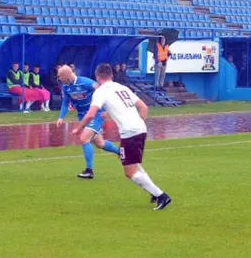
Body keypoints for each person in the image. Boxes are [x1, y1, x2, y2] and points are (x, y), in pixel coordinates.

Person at [72, 63, 172, 210]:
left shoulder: (100, 92)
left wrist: (78, 128)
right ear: (112, 75)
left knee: (129, 172)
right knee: (135, 165)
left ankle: (162, 196)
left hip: (130, 132)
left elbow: (91, 114)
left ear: (97, 77)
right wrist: (136, 122)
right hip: (140, 128)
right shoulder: (122, 87)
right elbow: (144, 107)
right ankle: (155, 193)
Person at [56, 65, 120, 179]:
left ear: (66, 76)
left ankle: (89, 170)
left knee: (84, 138)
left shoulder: (85, 82)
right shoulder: (66, 88)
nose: (59, 79)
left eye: (60, 77)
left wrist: (107, 109)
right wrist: (61, 117)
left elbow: (102, 90)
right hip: (83, 117)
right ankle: (122, 153)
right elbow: (65, 103)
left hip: (96, 114)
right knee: (100, 143)